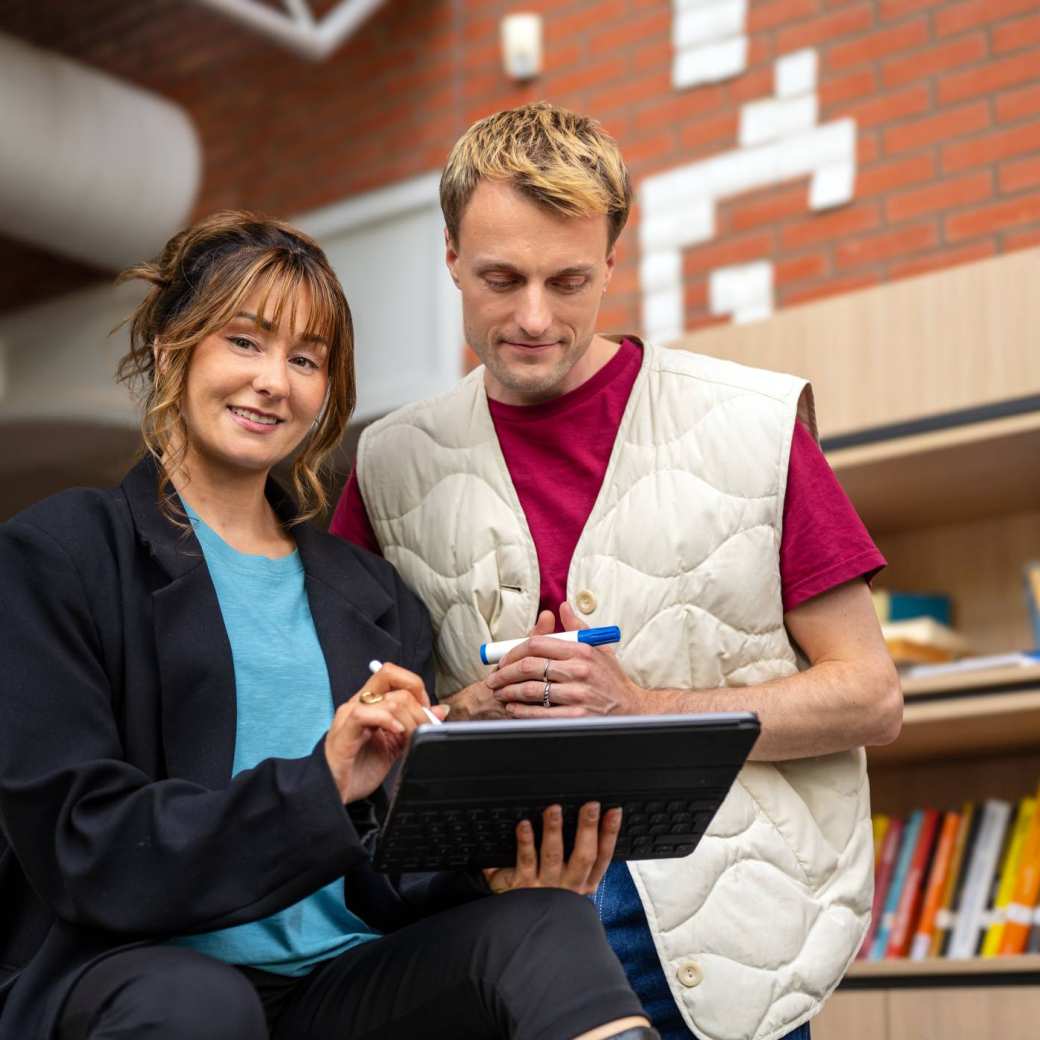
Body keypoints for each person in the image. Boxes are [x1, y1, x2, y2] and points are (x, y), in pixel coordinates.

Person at [0, 211, 658, 1040]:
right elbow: (85, 846)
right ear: (172, 348)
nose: (274, 381)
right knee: (202, 1004)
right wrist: (321, 779)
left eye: (305, 359)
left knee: (545, 925)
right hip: (138, 972)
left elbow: (389, 877)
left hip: (338, 983)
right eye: (245, 341)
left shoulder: (374, 594)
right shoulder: (60, 554)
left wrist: (491, 871)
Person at [330, 103, 904, 1040]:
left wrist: (639, 707)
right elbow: (351, 718)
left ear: (611, 262)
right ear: (450, 258)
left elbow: (871, 696)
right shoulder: (387, 463)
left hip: (727, 948)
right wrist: (466, 710)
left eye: (568, 281)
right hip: (484, 938)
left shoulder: (754, 426)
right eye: (500, 279)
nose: (533, 318)